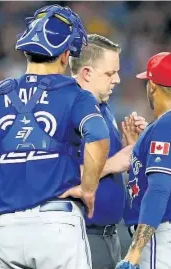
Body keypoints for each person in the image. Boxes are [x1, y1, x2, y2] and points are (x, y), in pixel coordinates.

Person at [0, 5, 110, 269]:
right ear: (65, 54)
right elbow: (98, 135)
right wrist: (88, 187)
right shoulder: (75, 96)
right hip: (57, 225)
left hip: (8, 230)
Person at [60, 34, 147, 269]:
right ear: (86, 72)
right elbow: (55, 176)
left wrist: (127, 145)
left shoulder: (103, 108)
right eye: (110, 73)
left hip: (109, 236)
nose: (117, 79)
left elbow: (109, 165)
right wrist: (112, 163)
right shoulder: (67, 110)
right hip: (80, 236)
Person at [116, 52, 171, 269]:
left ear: (153, 86)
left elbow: (158, 191)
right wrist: (139, 153)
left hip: (164, 239)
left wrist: (135, 252)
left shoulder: (165, 128)